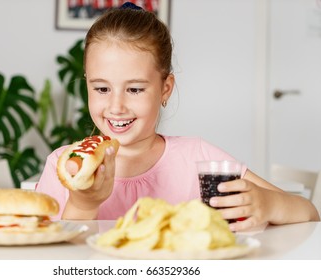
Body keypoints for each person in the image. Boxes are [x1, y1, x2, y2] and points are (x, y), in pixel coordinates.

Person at [36, 2, 320, 231]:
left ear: (165, 89)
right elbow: (50, 260)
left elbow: (309, 214)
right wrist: (84, 204)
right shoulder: (64, 166)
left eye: (134, 89)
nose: (116, 105)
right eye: (101, 88)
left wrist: (268, 205)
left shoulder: (199, 159)